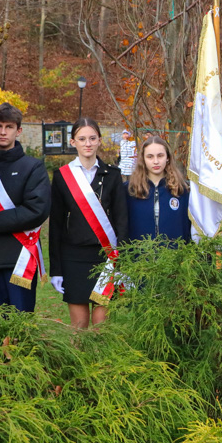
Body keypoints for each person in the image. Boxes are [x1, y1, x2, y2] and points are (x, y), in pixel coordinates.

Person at [49, 118, 128, 329]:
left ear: (100, 141)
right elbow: (55, 225)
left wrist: (122, 262)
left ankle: (102, 364)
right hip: (73, 257)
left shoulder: (113, 175)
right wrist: (56, 269)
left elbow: (122, 221)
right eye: (82, 139)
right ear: (73, 142)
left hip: (106, 257)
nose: (88, 143)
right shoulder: (62, 176)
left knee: (101, 326)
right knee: (79, 327)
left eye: (92, 138)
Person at [0, 103, 51, 312]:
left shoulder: (33, 167)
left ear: (19, 131)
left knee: (20, 327)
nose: (3, 132)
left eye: (9, 127)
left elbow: (36, 210)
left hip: (20, 258)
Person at [125, 136, 191, 243]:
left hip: (175, 256)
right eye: (150, 157)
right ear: (143, 159)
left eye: (160, 156)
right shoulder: (130, 190)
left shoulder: (182, 190)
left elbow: (187, 229)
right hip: (139, 256)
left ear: (167, 157)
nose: (156, 161)